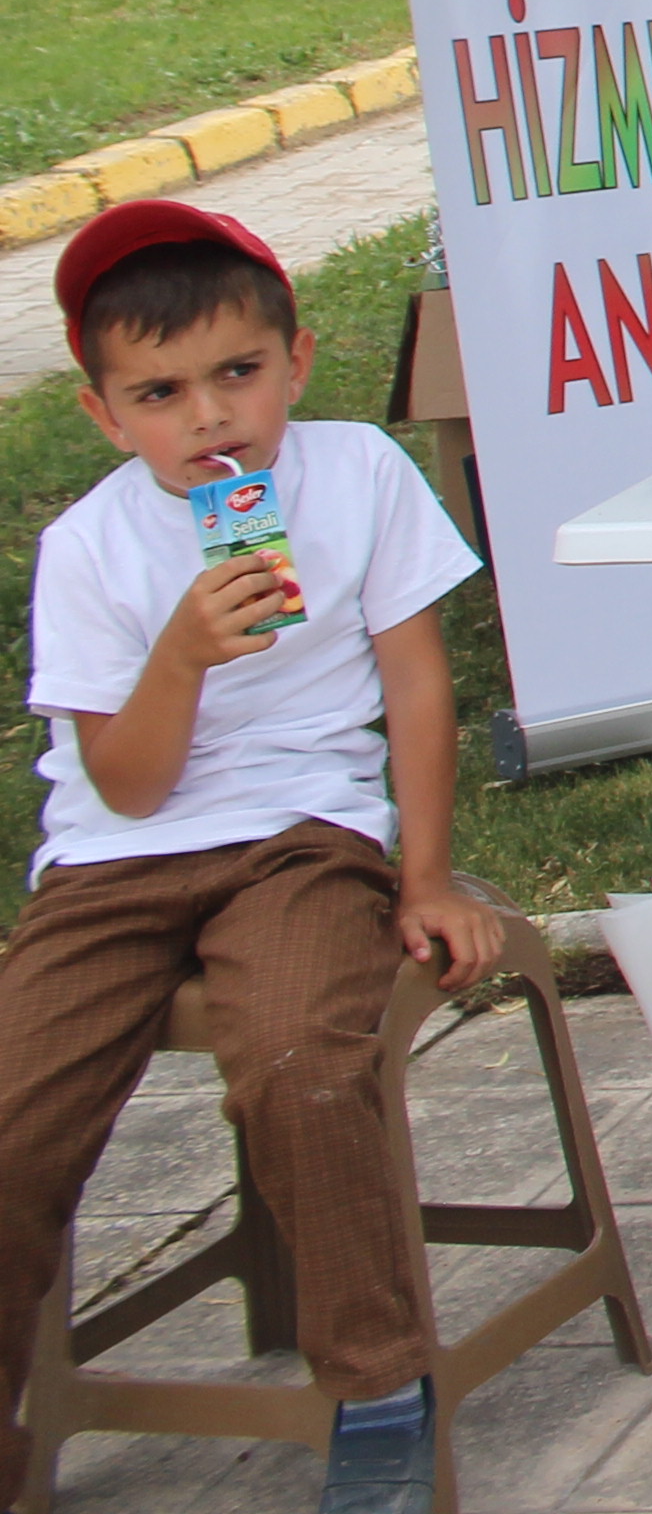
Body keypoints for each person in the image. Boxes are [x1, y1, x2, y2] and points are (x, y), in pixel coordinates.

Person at [1, 206, 508, 1514]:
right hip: (116, 860)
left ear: (296, 361)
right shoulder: (90, 551)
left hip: (300, 839)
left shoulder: (356, 478)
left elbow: (415, 685)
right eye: (161, 395)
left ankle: (377, 1387)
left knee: (299, 1061)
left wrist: (428, 876)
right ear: (107, 416)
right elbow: (124, 781)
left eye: (238, 374)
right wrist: (179, 653)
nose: (210, 420)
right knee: (13, 1122)